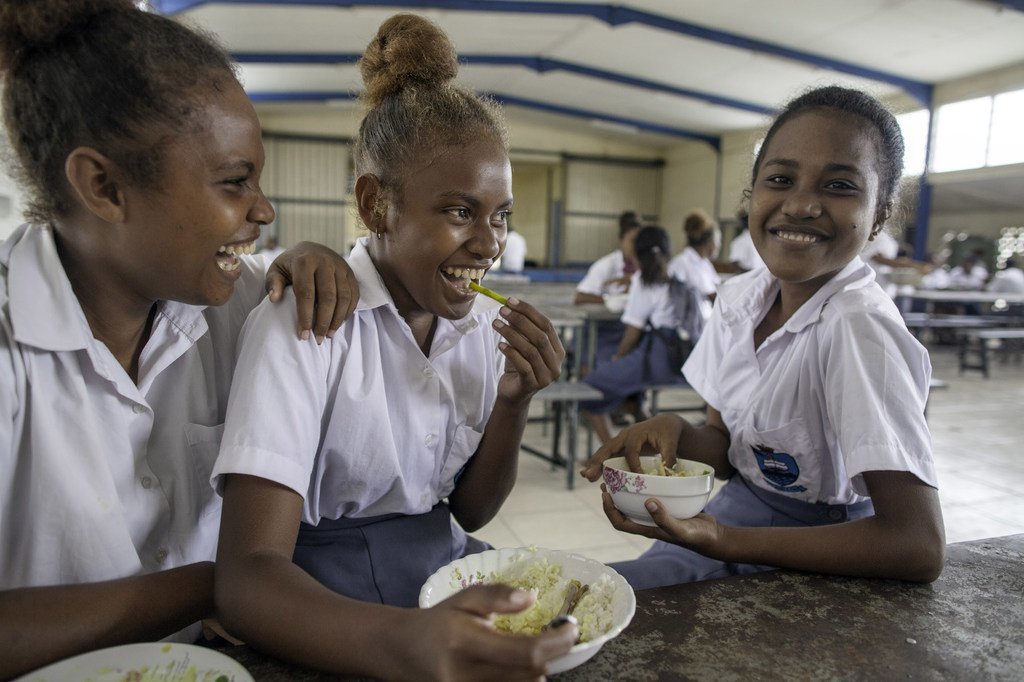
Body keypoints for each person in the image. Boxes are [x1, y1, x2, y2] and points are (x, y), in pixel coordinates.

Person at [212, 14, 576, 680]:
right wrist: (408, 643)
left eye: (501, 216)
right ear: (377, 205)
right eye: (460, 212)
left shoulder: (473, 331)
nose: (491, 243)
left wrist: (514, 400)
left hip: (443, 563)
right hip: (323, 599)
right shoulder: (308, 317)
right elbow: (247, 578)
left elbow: (465, 511)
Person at [0, 2, 357, 678]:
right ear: (103, 186)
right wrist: (213, 585)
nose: (264, 210)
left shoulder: (244, 303)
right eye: (234, 181)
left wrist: (317, 257)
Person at [581, 85, 945, 590]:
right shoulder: (740, 299)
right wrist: (677, 431)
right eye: (780, 179)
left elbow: (916, 545)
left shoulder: (857, 329)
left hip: (827, 547)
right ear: (752, 195)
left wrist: (724, 540)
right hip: (739, 511)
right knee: (598, 595)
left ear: (880, 213)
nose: (800, 205)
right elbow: (729, 450)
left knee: (621, 601)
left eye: (839, 186)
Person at [580, 225, 704, 445]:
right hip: (686, 361)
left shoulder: (642, 282)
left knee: (590, 385)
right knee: (630, 391)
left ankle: (612, 450)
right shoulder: (678, 278)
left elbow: (632, 333)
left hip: (658, 361)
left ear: (638, 255)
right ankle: (639, 415)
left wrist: (619, 357)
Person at [668, 209, 721, 320]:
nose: (719, 245)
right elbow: (676, 297)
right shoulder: (680, 263)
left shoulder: (706, 264)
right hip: (689, 324)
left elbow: (717, 290)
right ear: (708, 242)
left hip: (706, 321)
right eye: (718, 240)